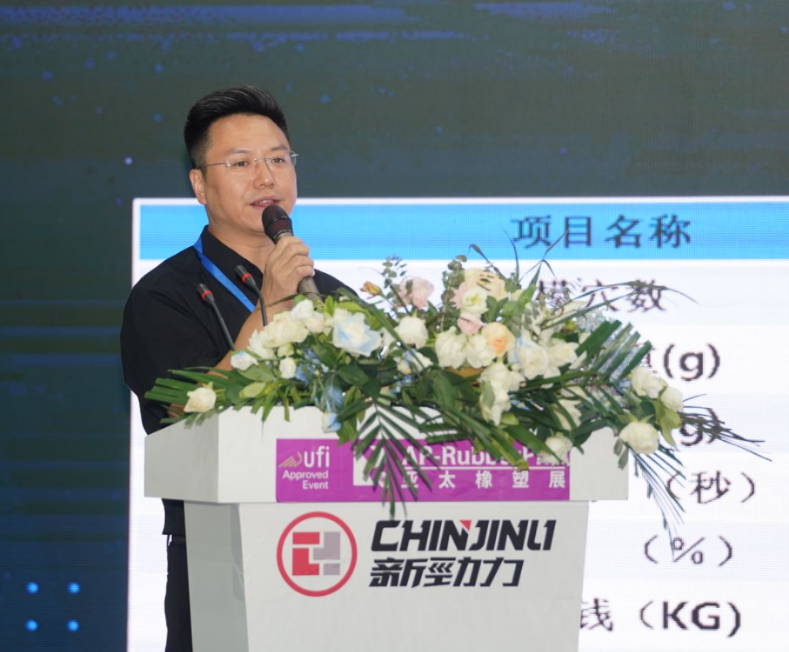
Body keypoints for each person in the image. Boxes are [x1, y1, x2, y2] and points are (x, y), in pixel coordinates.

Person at [121, 86, 353, 651]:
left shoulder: (334, 297)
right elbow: (184, 413)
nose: (266, 177)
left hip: (345, 547)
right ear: (199, 185)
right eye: (241, 163)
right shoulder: (163, 297)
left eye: (278, 159)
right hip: (220, 554)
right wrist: (269, 310)